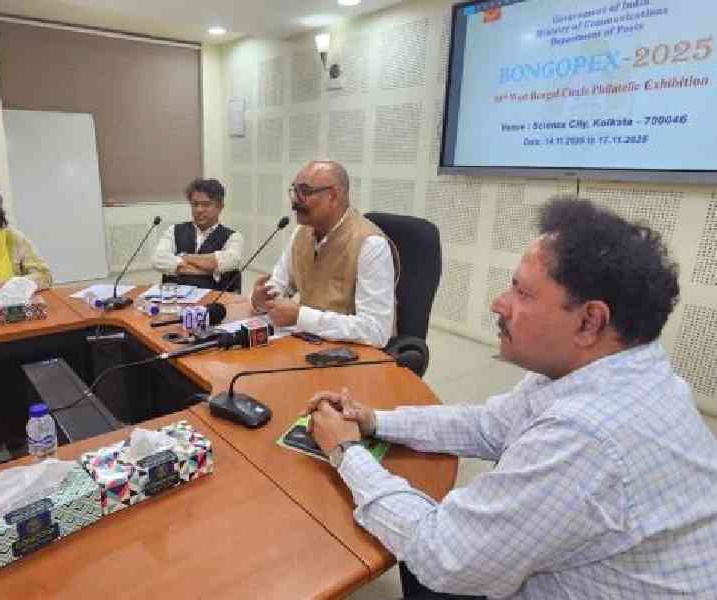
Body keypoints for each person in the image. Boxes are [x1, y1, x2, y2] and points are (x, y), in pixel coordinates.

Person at [306, 197, 717, 599]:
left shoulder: (587, 435)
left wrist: (346, 450)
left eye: (522, 293)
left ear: (590, 321)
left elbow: (442, 555)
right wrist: (374, 420)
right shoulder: (608, 368)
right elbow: (488, 424)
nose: (498, 303)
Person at [250, 160, 397, 348]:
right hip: (309, 344)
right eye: (294, 191)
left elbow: (376, 331)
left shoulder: (370, 244)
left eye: (305, 192)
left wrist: (300, 316)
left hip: (352, 356)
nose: (295, 200)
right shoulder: (302, 233)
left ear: (334, 196)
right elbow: (278, 284)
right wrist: (261, 300)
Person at [151, 177, 244, 292]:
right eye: (195, 204)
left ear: (220, 207)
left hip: (213, 302)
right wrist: (209, 270)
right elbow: (158, 259)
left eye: (206, 205)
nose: (199, 210)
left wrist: (183, 257)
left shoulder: (233, 237)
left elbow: (230, 260)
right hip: (175, 301)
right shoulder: (174, 230)